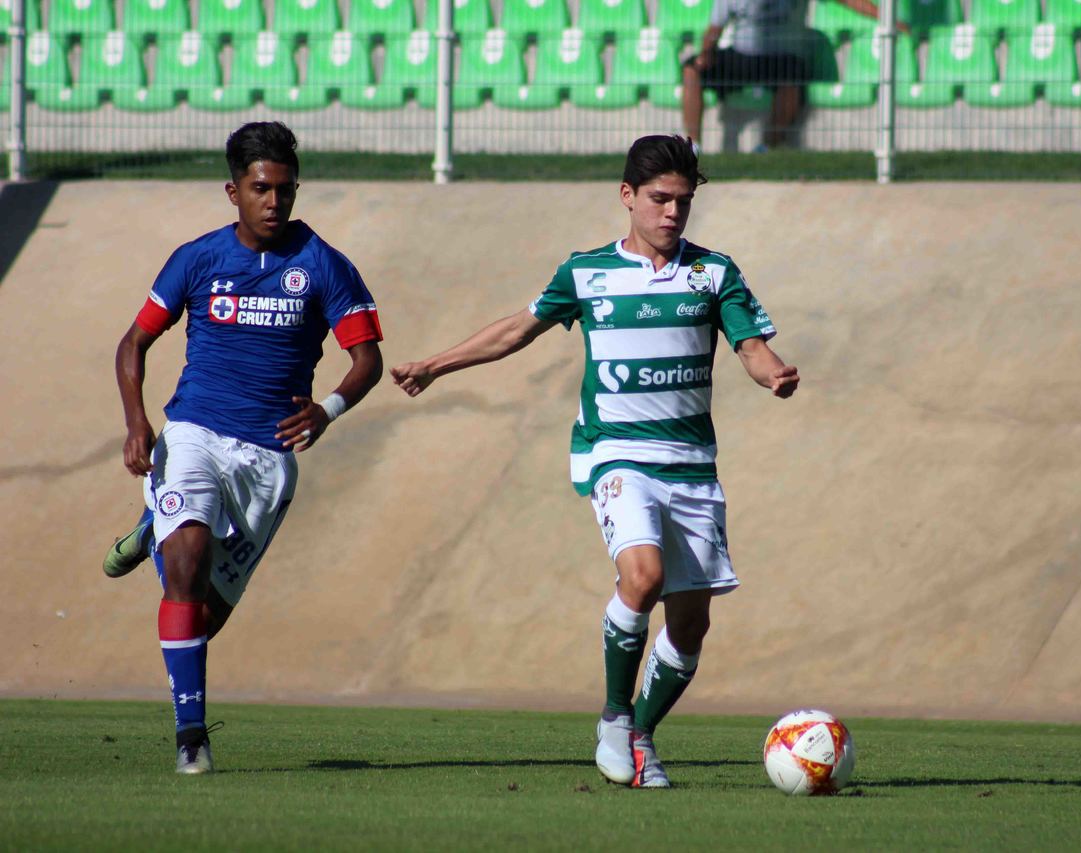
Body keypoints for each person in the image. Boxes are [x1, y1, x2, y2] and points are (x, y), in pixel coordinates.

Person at [390, 135, 799, 788]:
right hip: (615, 453)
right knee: (643, 575)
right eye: (660, 199)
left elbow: (751, 347)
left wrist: (773, 372)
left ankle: (640, 734)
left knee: (691, 625)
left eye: (683, 201)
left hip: (691, 464)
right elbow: (515, 329)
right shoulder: (586, 272)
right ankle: (614, 716)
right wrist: (436, 365)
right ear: (627, 196)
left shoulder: (714, 273)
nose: (672, 212)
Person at [102, 121, 384, 774]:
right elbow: (133, 342)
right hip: (194, 431)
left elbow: (367, 359)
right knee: (187, 562)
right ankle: (191, 736)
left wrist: (328, 409)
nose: (274, 201)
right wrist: (136, 422)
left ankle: (151, 525)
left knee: (202, 617)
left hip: (268, 458)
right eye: (261, 188)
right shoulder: (197, 259)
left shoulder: (324, 264)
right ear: (234, 191)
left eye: (285, 189)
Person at [682, 0, 898, 151]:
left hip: (782, 57)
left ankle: (767, 148)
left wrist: (888, 19)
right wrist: (706, 53)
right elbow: (714, 28)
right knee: (691, 70)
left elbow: (848, 0)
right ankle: (693, 148)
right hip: (742, 55)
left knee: (792, 77)